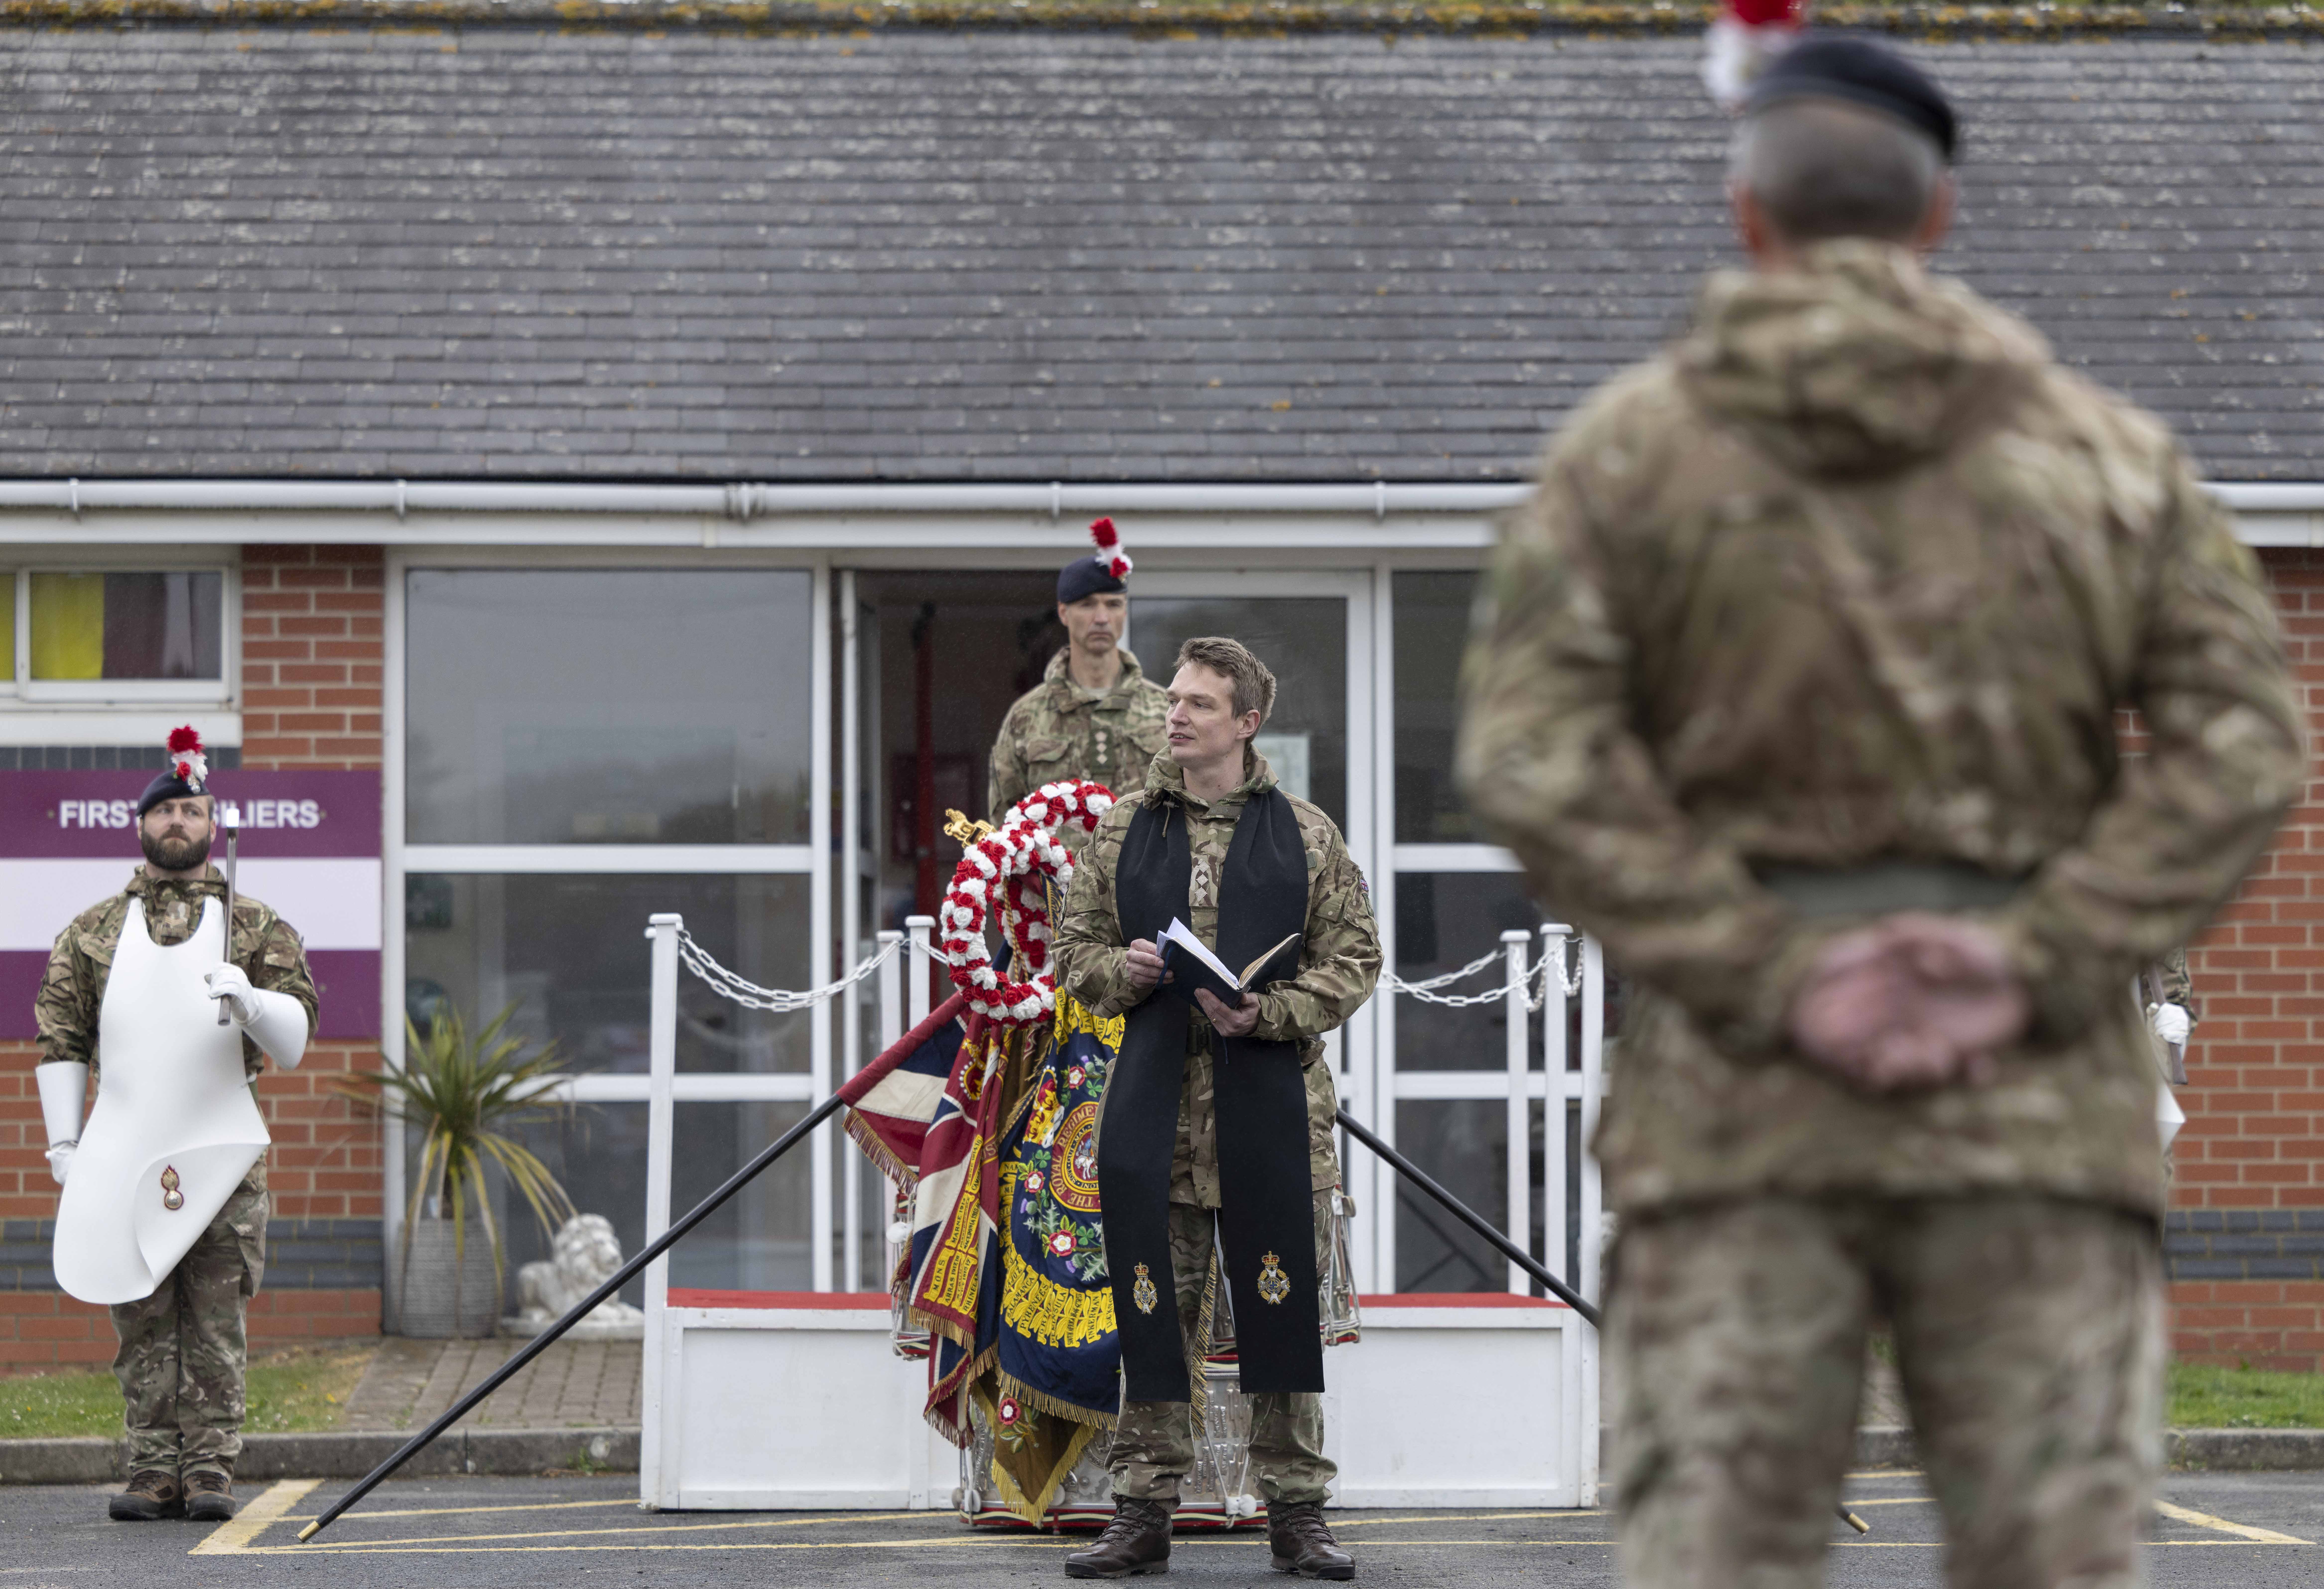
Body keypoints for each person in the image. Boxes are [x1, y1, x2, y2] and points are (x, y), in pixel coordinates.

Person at [1455, 37, 2302, 1589]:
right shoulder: (2109, 463)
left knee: (1722, 1555)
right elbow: (2243, 746)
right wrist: (2037, 951)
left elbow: (1532, 754)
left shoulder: (1627, 464)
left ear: (1747, 214)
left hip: (1737, 1106)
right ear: (1941, 215)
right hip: (2030, 1099)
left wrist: (1767, 963)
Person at [1053, 636, 1381, 1580]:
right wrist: (1124, 970)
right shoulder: (1122, 830)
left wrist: (1265, 1011)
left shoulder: (1306, 834)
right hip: (1158, 1116)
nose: (1177, 713)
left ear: (1247, 723)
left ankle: (1297, 1512)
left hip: (1270, 1110)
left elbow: (1355, 960)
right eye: (1176, 699)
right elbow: (1072, 948)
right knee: (1154, 1309)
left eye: (1200, 703)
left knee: (1281, 1306)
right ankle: (1145, 1507)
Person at [35, 730, 318, 1524]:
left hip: (220, 1153)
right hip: (127, 1147)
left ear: (211, 824)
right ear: (142, 825)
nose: (177, 821)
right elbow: (61, 1035)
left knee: (217, 1315)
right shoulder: (92, 931)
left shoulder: (253, 925)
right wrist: (65, 1143)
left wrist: (253, 1000)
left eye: (191, 809)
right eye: (165, 810)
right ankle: (154, 1467)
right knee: (143, 1313)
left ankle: (212, 1470)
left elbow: (296, 1039)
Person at [988, 517, 1170, 821]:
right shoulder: (1026, 716)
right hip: (1059, 869)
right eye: (1087, 605)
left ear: (1124, 613)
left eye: (1112, 605)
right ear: (1063, 613)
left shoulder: (1166, 711)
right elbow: (1004, 824)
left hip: (1141, 869)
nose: (1101, 617)